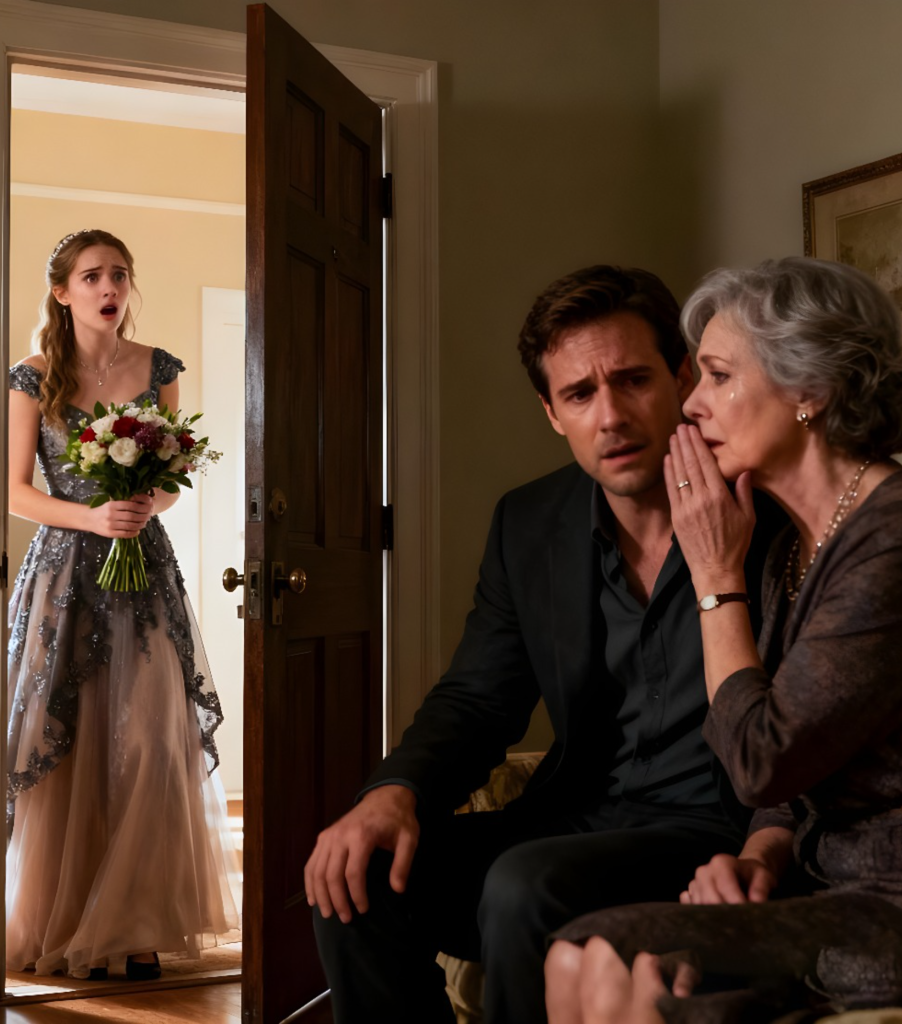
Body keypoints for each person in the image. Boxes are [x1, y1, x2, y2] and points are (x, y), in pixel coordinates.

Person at [306, 265, 785, 1024]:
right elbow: (478, 698)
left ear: (683, 378)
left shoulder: (773, 512)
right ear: (552, 412)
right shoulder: (528, 522)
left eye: (633, 380)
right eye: (580, 394)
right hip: (577, 814)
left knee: (524, 884)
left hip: (716, 829)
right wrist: (393, 792)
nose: (610, 417)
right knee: (354, 874)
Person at [545, 256, 902, 1024]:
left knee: (607, 953)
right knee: (576, 953)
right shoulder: (789, 546)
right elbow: (791, 787)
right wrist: (755, 857)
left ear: (810, 390)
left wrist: (715, 573)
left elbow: (760, 759)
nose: (690, 406)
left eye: (718, 376)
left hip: (901, 907)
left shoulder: (899, 535)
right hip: (814, 891)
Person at [5, 229, 239, 981]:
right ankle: (62, 917)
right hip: (63, 573)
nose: (110, 287)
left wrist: (145, 503)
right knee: (69, 740)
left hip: (142, 571)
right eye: (93, 276)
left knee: (149, 741)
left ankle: (137, 924)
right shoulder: (31, 376)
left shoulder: (158, 367)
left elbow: (170, 479)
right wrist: (93, 516)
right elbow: (14, 491)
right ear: (63, 291)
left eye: (120, 274)